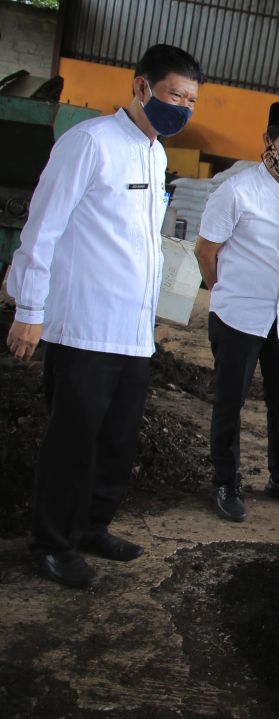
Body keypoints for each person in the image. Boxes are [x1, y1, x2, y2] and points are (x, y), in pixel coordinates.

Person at [5, 44, 203, 588]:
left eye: (190, 100)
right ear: (141, 87)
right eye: (172, 95)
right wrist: (28, 308)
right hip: (85, 326)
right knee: (73, 439)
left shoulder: (156, 153)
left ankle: (92, 526)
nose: (181, 108)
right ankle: (52, 543)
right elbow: (42, 228)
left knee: (117, 439)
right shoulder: (89, 144)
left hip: (133, 331)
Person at [194, 102, 279, 522]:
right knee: (230, 402)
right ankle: (225, 482)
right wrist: (224, 291)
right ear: (268, 141)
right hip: (238, 317)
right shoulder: (235, 192)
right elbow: (205, 251)